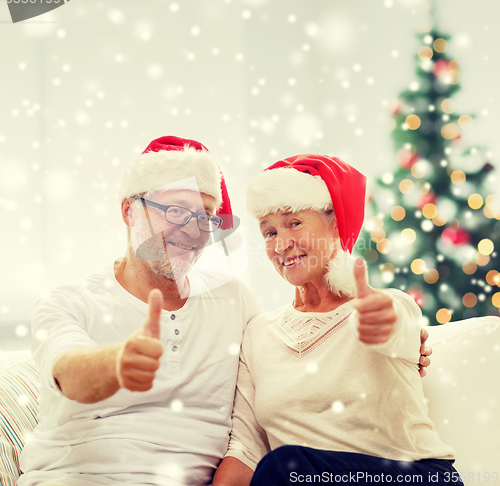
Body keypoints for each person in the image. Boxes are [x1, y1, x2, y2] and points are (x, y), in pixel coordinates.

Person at [18, 136, 264, 486]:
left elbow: (250, 430)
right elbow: (68, 374)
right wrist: (116, 364)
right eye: (177, 211)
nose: (193, 231)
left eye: (205, 216)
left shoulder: (234, 300)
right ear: (129, 210)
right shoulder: (69, 303)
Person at [213, 154, 460, 486]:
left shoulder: (386, 304)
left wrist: (379, 320)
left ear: (336, 223)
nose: (282, 244)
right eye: (269, 232)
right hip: (299, 478)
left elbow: (396, 327)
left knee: (288, 466)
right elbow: (246, 450)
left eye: (294, 223)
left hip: (414, 477)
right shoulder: (258, 333)